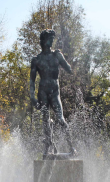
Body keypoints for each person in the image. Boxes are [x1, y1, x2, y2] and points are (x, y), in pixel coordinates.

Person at [29, 29, 77, 157]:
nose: (52, 41)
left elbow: (69, 70)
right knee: (45, 120)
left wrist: (63, 60)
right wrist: (32, 96)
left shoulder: (56, 55)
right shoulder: (36, 60)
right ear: (44, 40)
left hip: (55, 91)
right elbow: (32, 81)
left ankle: (72, 147)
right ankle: (48, 147)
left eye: (52, 38)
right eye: (50, 38)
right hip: (43, 92)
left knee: (60, 119)